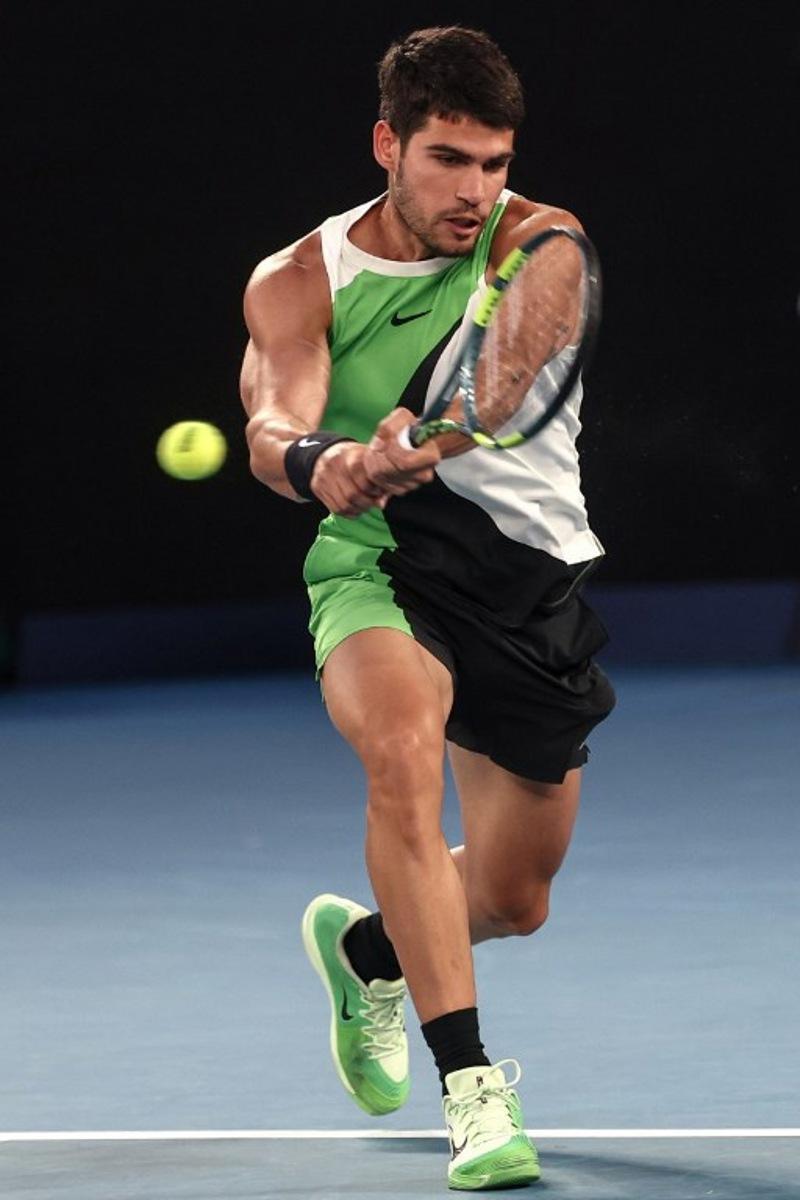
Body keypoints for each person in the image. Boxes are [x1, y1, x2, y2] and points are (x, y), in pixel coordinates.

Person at [240, 25, 615, 1191]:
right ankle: (473, 1091)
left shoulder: (540, 243)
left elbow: (494, 391)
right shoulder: (298, 280)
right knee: (398, 755)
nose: (475, 189)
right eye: (448, 159)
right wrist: (325, 464)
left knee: (514, 896)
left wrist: (425, 436)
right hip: (381, 565)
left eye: (493, 162)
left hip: (529, 583)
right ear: (386, 145)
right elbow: (271, 420)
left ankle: (365, 949)